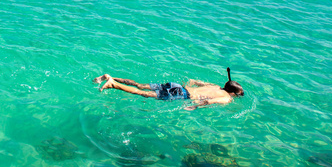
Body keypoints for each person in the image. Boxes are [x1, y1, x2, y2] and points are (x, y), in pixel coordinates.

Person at [93, 72, 244, 110]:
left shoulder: (216, 86)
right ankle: (112, 84)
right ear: (233, 93)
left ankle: (110, 76)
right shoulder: (226, 98)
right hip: (181, 94)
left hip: (178, 86)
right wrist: (194, 106)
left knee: (139, 85)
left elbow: (195, 81)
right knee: (143, 93)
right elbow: (209, 101)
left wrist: (188, 86)